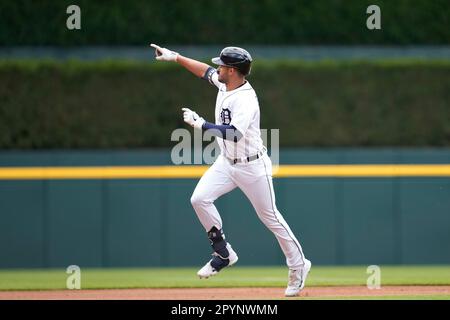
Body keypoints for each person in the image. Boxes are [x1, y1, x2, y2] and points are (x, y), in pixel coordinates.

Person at [150, 44, 311, 296]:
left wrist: (201, 124)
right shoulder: (226, 83)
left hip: (252, 165)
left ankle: (299, 265)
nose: (218, 68)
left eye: (222, 65)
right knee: (199, 199)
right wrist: (176, 58)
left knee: (270, 217)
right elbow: (204, 72)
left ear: (233, 70)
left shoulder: (246, 99)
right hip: (227, 162)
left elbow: (235, 134)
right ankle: (223, 253)